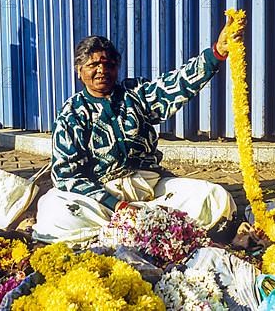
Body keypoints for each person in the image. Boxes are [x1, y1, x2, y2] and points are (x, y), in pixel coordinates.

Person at [32, 16, 244, 244]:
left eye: (109, 64)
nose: (102, 70)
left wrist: (216, 54)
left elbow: (174, 86)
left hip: (151, 189)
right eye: (94, 65)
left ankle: (145, 228)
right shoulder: (71, 113)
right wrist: (118, 206)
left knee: (213, 196)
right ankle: (150, 229)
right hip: (103, 199)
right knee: (54, 213)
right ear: (79, 70)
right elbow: (66, 176)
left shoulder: (135, 94)